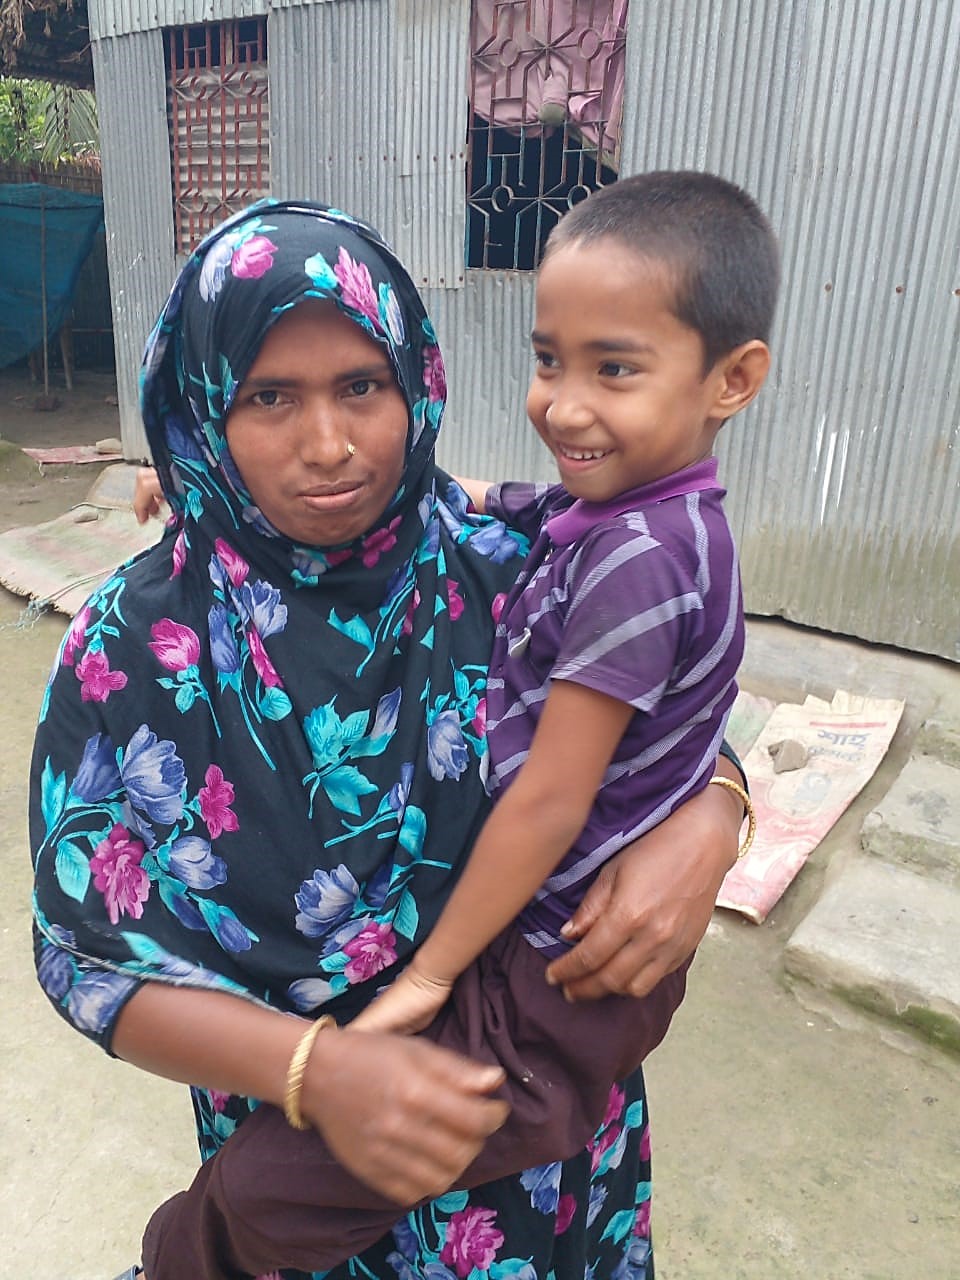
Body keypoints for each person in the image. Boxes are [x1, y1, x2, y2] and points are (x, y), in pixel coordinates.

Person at [30, 199, 747, 1280]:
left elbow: (672, 702)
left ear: (413, 378)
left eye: (361, 386)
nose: (330, 446)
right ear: (203, 409)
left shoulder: (510, 564)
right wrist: (318, 1068)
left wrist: (717, 811)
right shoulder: (131, 647)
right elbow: (83, 952)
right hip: (310, 1175)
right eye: (270, 396)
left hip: (533, 1168)